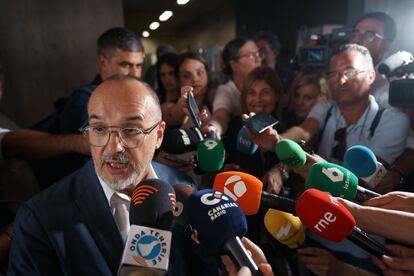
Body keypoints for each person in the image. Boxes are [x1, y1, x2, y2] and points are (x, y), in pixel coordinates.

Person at [8, 75, 217, 275]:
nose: (114, 146)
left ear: (159, 135)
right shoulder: (40, 218)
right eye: (99, 129)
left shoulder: (184, 188)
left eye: (131, 130)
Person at [32, 27, 145, 188]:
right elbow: (105, 167)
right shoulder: (84, 101)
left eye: (139, 65)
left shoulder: (133, 96)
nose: (135, 74)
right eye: (126, 65)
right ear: (103, 62)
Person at [207, 37, 262, 137]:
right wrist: (214, 128)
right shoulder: (226, 90)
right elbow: (220, 116)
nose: (258, 59)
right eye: (251, 55)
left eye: (258, 54)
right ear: (234, 65)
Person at [350, 12, 397, 108]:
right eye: (355, 34)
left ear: (386, 46)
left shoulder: (389, 89)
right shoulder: (337, 76)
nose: (357, 41)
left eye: (370, 36)